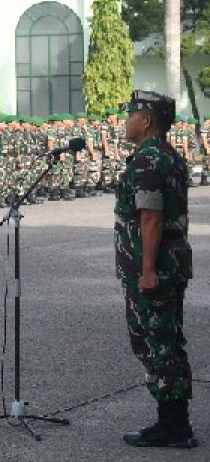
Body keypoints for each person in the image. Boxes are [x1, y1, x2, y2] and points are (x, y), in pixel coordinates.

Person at [116, 91, 197, 449]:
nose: (126, 121)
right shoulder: (166, 155)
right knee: (165, 341)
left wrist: (147, 270)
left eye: (131, 115)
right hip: (169, 265)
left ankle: (174, 426)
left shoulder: (148, 160)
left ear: (146, 120)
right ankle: (174, 422)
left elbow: (151, 218)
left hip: (155, 269)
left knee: (155, 343)